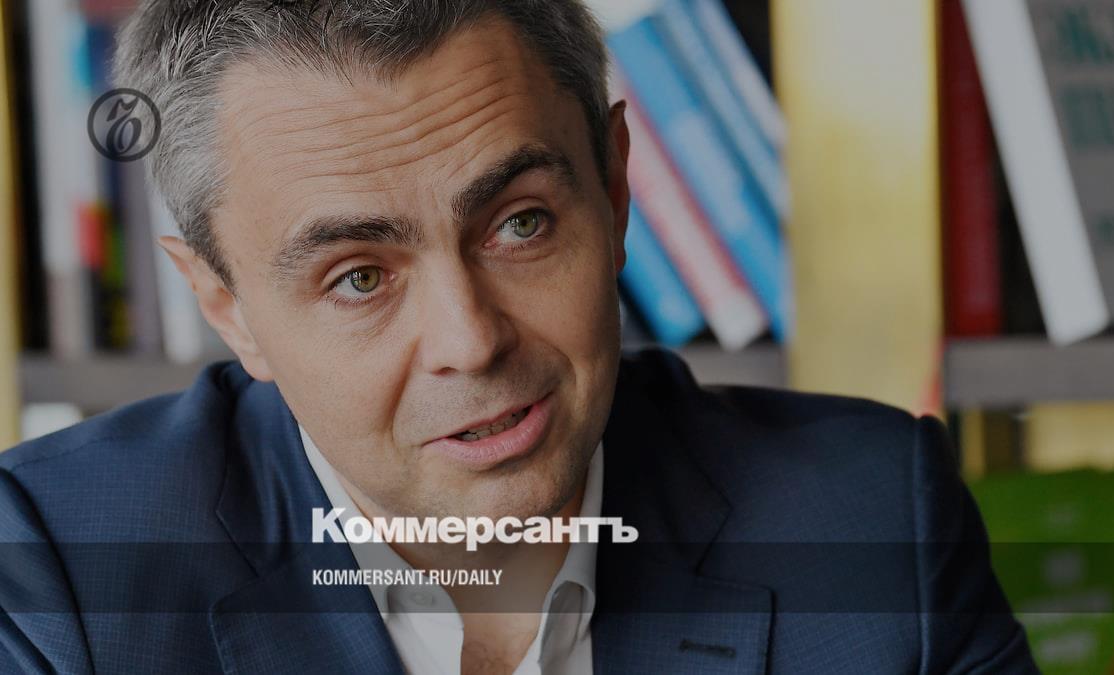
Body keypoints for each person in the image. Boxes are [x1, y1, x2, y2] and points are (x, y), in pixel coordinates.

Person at [0, 1, 1037, 673]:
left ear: (616, 189)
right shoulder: (59, 577)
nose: (471, 340)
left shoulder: (872, 519)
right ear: (226, 306)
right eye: (359, 277)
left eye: (521, 224)